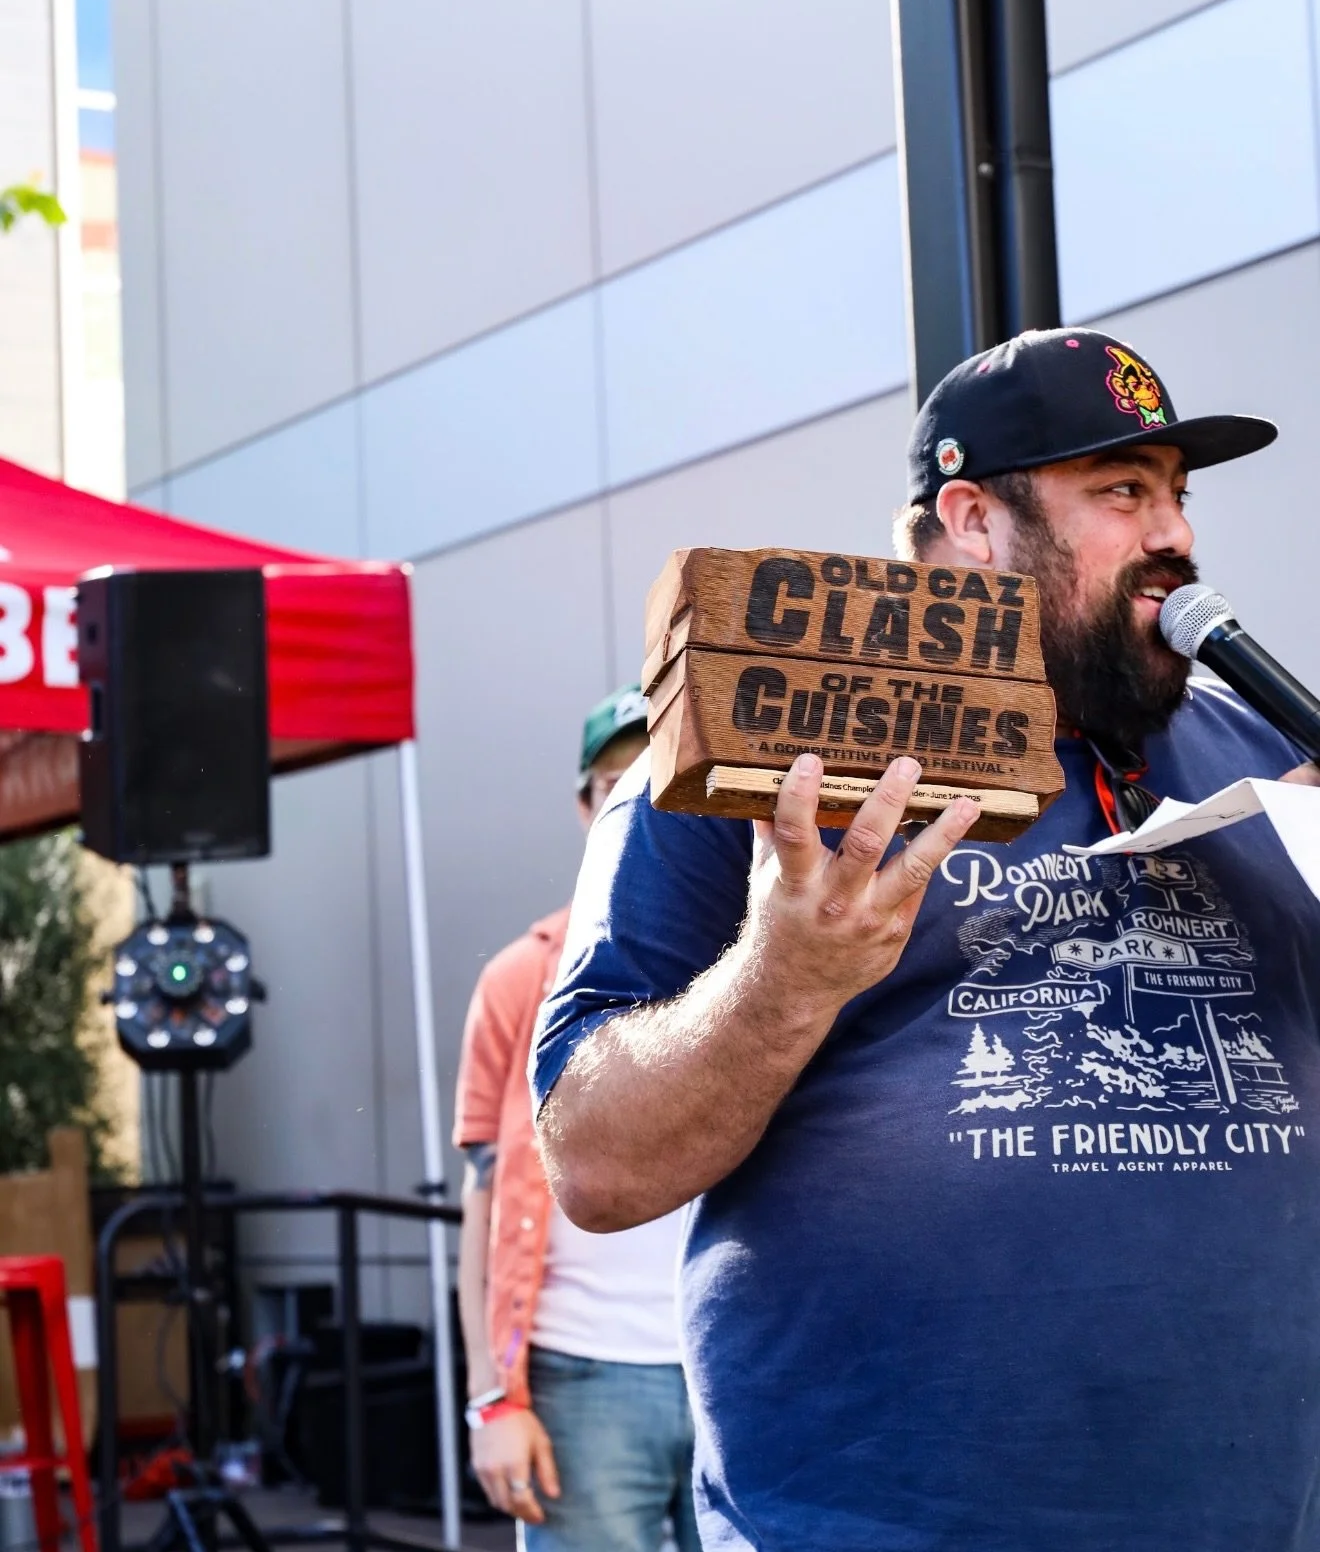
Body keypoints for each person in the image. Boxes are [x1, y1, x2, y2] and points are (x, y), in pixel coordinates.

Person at [530, 328, 1320, 1552]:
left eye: (1178, 494)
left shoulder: (1269, 759)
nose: (1175, 533)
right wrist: (783, 977)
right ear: (973, 519)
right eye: (1122, 490)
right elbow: (596, 1161)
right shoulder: (760, 756)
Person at [454, 684, 699, 1551]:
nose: (639, 802)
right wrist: (494, 1398)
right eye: (615, 785)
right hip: (581, 1378)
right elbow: (484, 1202)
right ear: (585, 806)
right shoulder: (521, 978)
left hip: (737, 1364)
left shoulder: (761, 951)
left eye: (661, 776)